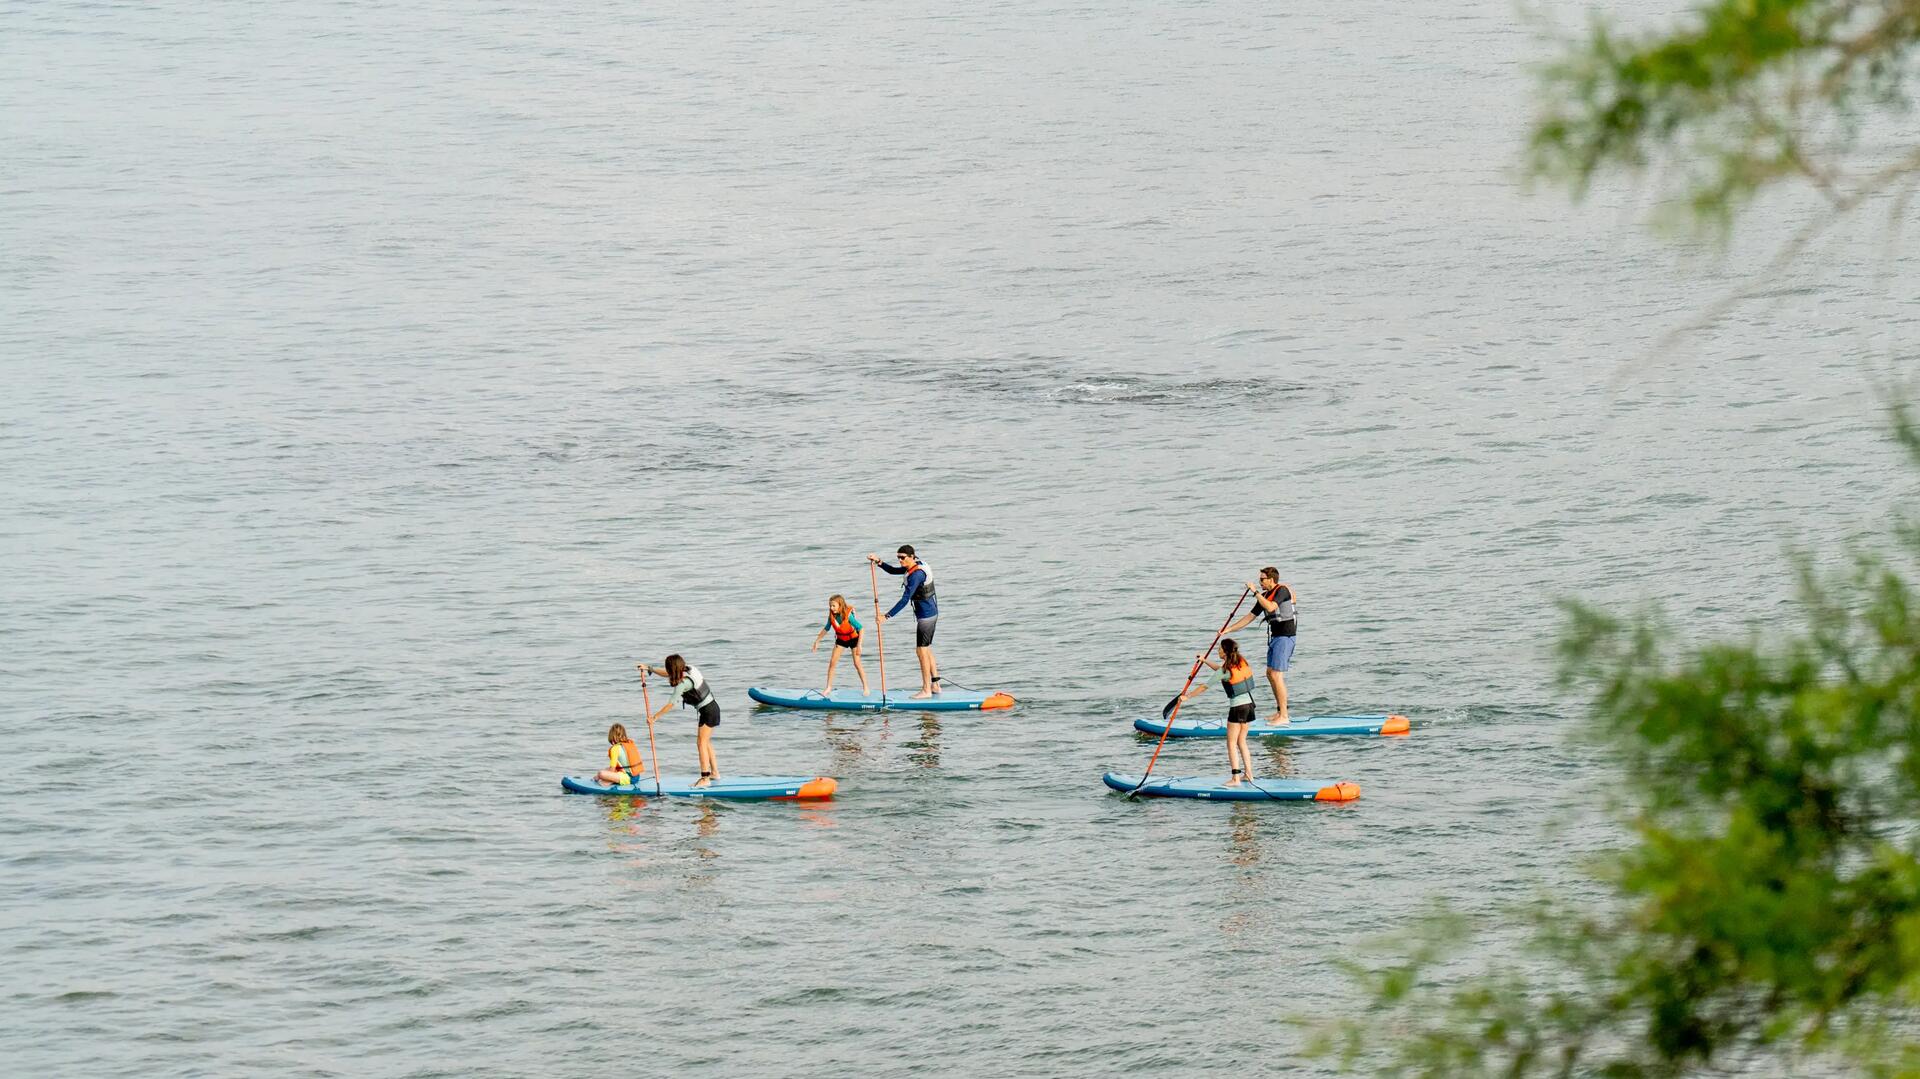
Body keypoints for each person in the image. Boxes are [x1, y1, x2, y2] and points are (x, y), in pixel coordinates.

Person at [1173, 638, 1260, 786]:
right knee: (1242, 741)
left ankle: (1235, 779)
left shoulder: (1225, 670)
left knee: (1231, 743)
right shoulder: (1241, 662)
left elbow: (1205, 686)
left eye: (1220, 649)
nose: (1218, 650)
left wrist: (1187, 697)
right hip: (1249, 706)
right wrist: (1205, 661)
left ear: (1225, 652)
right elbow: (1220, 671)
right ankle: (1249, 775)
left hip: (1237, 708)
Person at [1221, 566, 1296, 724]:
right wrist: (1229, 629)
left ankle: (1284, 716)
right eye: (1259, 579)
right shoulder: (1264, 596)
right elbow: (1249, 617)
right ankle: (1279, 712)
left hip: (1285, 637)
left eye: (1262, 579)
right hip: (1275, 638)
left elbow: (1270, 607)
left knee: (1276, 675)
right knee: (1270, 673)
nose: (1260, 582)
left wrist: (1254, 592)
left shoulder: (1282, 590)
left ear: (1271, 579)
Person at [637, 654, 721, 786]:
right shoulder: (689, 669)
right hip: (712, 708)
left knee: (701, 743)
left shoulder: (683, 684)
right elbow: (667, 673)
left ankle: (705, 778)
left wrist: (654, 717)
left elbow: (671, 703)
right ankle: (714, 773)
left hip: (708, 711)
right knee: (705, 742)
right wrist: (650, 668)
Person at [868, 545, 940, 698]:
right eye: (898, 557)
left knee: (921, 650)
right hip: (929, 613)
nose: (900, 560)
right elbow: (894, 570)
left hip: (926, 616)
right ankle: (935, 685)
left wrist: (886, 616)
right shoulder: (914, 566)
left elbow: (905, 599)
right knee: (926, 649)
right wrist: (879, 562)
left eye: (903, 557)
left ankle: (926, 690)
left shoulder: (916, 575)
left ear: (912, 556)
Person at [809, 593, 871, 694]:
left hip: (853, 638)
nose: (831, 608)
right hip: (841, 639)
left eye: (833, 605)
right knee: (832, 662)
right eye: (830, 606)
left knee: (857, 663)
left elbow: (861, 628)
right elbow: (826, 628)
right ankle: (828, 687)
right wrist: (817, 641)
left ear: (840, 605)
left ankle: (866, 687)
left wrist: (860, 645)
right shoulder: (832, 615)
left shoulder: (848, 615)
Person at [594, 722, 648, 787]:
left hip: (629, 778)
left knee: (601, 773)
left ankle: (609, 781)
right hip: (636, 776)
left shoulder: (615, 748)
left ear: (612, 735)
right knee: (605, 769)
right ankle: (608, 780)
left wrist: (601, 777)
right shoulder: (629, 744)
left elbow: (612, 770)